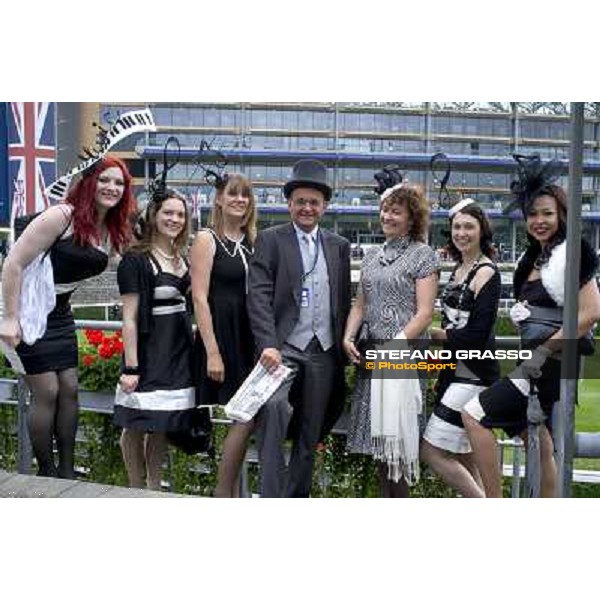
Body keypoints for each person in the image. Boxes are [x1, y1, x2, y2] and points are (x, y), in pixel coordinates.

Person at [462, 155, 600, 498]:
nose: (539, 221)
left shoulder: (573, 252)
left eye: (547, 213)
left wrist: (543, 349)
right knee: (537, 439)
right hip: (538, 361)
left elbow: (591, 313)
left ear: (562, 215)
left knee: (474, 414)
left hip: (549, 364)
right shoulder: (535, 257)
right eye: (533, 214)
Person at [0, 156, 134, 478]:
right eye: (105, 180)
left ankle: (67, 470)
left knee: (70, 387)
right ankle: (46, 473)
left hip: (59, 313)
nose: (111, 188)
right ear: (89, 182)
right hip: (28, 310)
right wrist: (10, 318)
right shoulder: (61, 216)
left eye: (119, 183)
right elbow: (13, 264)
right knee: (46, 390)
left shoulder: (109, 230)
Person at [247, 159, 351, 498]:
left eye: (314, 202)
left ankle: (297, 499)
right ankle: (271, 496)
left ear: (324, 206)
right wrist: (267, 343)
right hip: (282, 349)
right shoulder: (270, 239)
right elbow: (259, 295)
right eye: (300, 201)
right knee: (274, 410)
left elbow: (343, 301)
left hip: (323, 351)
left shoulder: (338, 246)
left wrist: (345, 345)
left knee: (310, 433)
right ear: (289, 203)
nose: (307, 208)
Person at [344, 175, 438, 497]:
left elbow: (425, 312)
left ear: (412, 218)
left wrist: (394, 349)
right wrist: (347, 337)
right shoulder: (371, 255)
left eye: (396, 211)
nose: (388, 217)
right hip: (373, 356)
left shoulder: (423, 254)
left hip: (403, 360)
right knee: (380, 448)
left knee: (399, 444)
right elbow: (361, 303)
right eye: (385, 210)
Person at [114, 185, 195, 491]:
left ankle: (154, 487)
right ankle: (136, 488)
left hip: (177, 351)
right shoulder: (135, 260)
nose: (175, 219)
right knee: (134, 422)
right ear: (154, 215)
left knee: (162, 423)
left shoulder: (181, 257)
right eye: (168, 213)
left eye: (180, 214)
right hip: (148, 352)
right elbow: (129, 318)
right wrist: (131, 367)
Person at [421, 199, 501, 498]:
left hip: (474, 373)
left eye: (469, 226)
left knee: (431, 451)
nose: (461, 232)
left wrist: (435, 335)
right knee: (466, 457)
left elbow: (477, 335)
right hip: (454, 371)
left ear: (482, 231)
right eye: (457, 226)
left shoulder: (486, 273)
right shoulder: (457, 269)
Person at [191, 173, 257, 498]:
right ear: (219, 199)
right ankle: (223, 494)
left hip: (248, 338)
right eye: (233, 194)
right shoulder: (207, 239)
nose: (240, 200)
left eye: (245, 195)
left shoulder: (251, 240)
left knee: (246, 415)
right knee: (242, 415)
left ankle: (229, 493)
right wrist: (212, 351)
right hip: (221, 337)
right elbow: (199, 297)